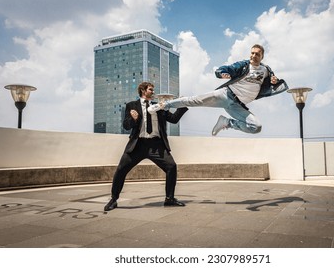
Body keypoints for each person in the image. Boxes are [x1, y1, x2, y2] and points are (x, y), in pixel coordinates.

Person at [148, 44, 288, 136]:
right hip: (225, 95)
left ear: (262, 56)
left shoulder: (265, 70)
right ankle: (163, 105)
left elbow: (271, 80)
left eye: (257, 54)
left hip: (237, 106)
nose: (253, 56)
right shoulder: (244, 65)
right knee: (193, 101)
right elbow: (227, 68)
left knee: (256, 127)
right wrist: (221, 73)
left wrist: (273, 81)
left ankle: (226, 123)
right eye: (252, 53)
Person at [104, 81, 188, 211]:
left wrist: (182, 104)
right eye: (151, 89)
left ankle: (169, 198)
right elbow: (126, 126)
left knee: (172, 166)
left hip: (156, 145)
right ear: (143, 91)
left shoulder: (158, 106)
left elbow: (173, 119)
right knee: (121, 170)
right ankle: (113, 199)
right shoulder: (132, 105)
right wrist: (133, 118)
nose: (153, 92)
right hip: (137, 145)